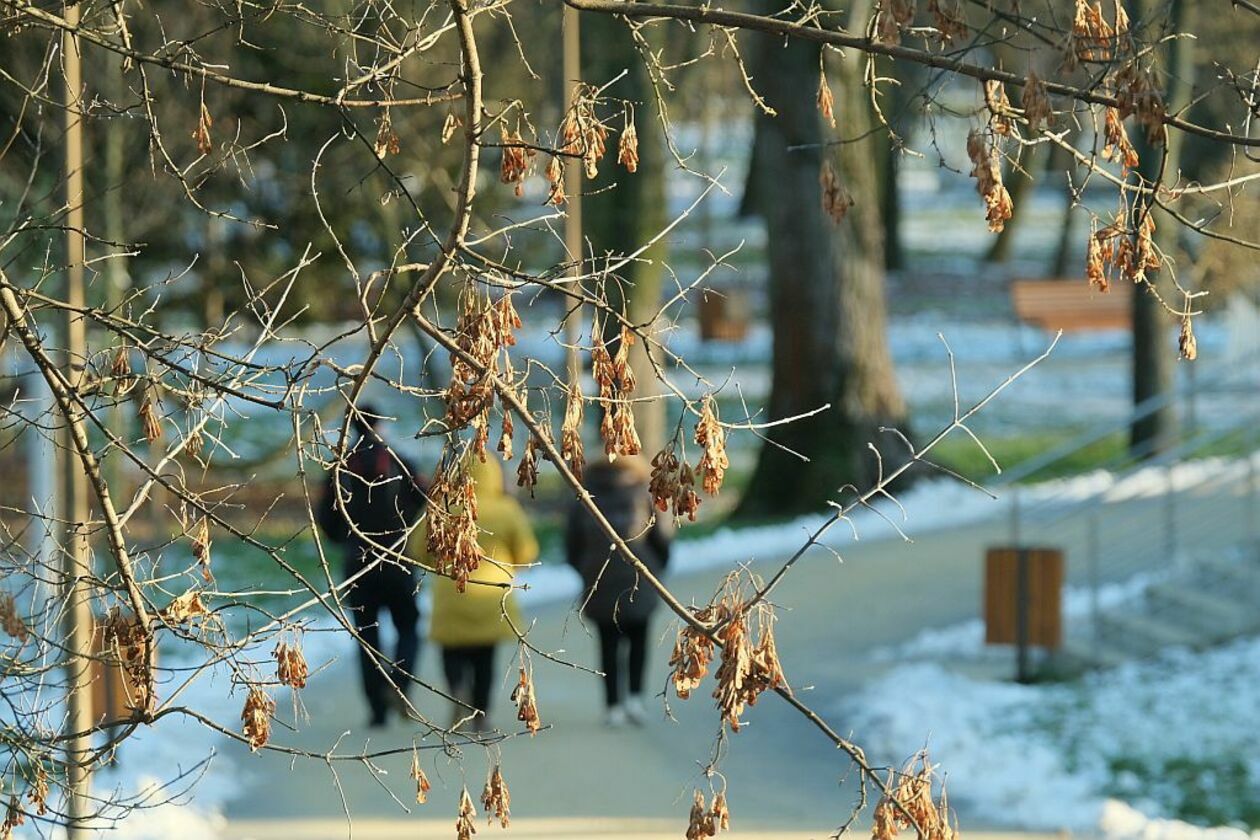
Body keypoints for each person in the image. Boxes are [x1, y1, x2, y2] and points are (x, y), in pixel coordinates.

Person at [317, 404, 426, 728]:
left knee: (368, 638)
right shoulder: (400, 461)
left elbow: (327, 516)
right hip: (398, 559)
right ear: (380, 425)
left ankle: (377, 712)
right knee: (408, 627)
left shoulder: (340, 467)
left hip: (358, 563)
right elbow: (425, 496)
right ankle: (400, 684)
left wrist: (345, 539)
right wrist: (405, 524)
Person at [418, 457, 538, 732]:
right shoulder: (507, 509)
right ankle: (481, 713)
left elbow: (419, 549)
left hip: (451, 593)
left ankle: (458, 693)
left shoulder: (441, 508)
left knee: (452, 652)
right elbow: (527, 551)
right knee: (485, 658)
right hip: (491, 597)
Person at [566, 456, 671, 727]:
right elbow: (660, 539)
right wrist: (657, 569)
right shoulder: (642, 494)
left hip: (599, 581)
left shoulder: (584, 496)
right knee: (639, 642)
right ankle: (635, 699)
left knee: (607, 644)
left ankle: (612, 706)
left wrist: (586, 570)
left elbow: (572, 544)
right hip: (639, 579)